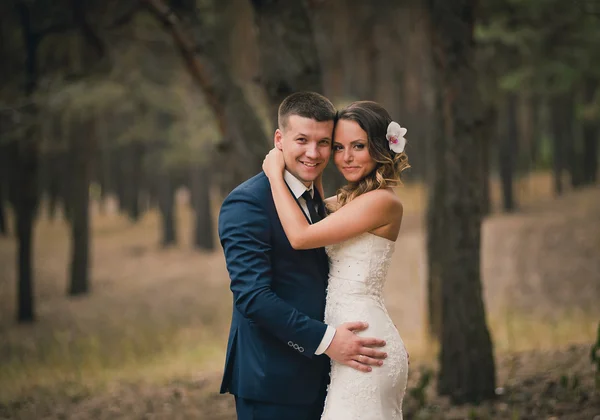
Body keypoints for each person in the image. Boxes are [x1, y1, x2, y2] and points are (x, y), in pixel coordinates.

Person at [218, 92, 388, 420]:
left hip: (330, 378)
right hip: (274, 382)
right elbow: (252, 298)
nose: (313, 153)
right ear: (279, 140)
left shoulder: (316, 198)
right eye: (302, 140)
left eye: (324, 142)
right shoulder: (247, 204)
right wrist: (326, 341)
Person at [262, 100, 410, 419]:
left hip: (366, 346)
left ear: (380, 147)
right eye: (339, 147)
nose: (346, 157)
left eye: (358, 146)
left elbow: (302, 236)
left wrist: (275, 175)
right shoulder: (352, 199)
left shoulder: (382, 202)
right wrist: (311, 176)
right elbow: (316, 211)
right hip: (348, 344)